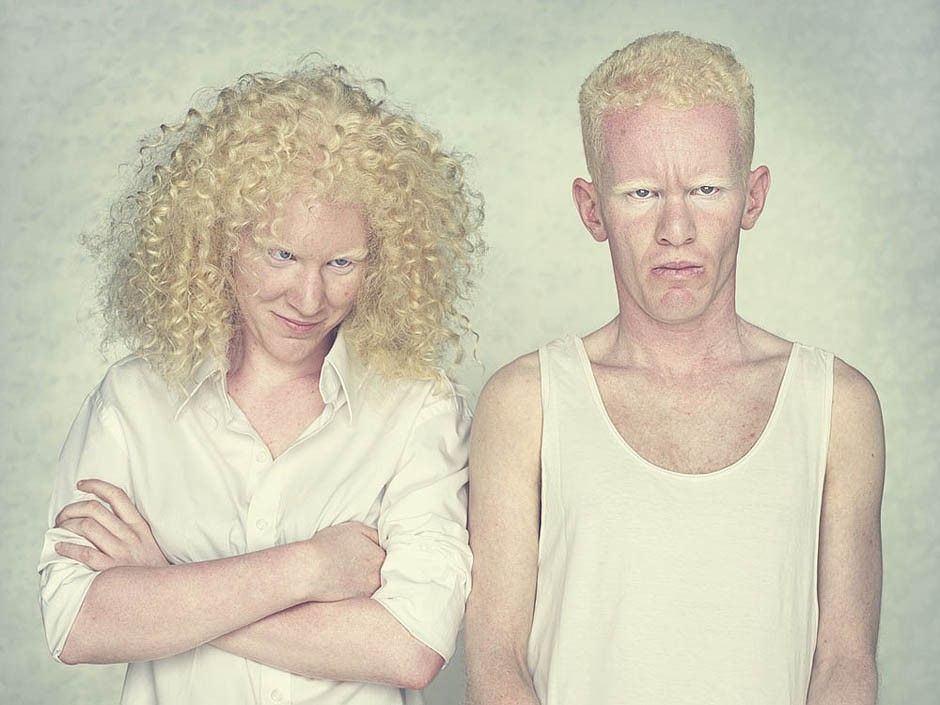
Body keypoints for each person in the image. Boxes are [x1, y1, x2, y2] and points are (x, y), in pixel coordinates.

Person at [38, 62, 483, 705]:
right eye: (282, 255)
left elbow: (408, 649)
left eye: (341, 263)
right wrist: (311, 568)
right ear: (221, 241)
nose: (309, 297)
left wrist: (165, 583)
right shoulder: (133, 400)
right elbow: (77, 624)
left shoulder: (418, 408)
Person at [465, 32, 884, 705]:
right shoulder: (524, 403)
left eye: (706, 188)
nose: (676, 229)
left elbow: (845, 663)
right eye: (641, 192)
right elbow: (495, 658)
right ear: (592, 209)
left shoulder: (838, 405)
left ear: (753, 198)